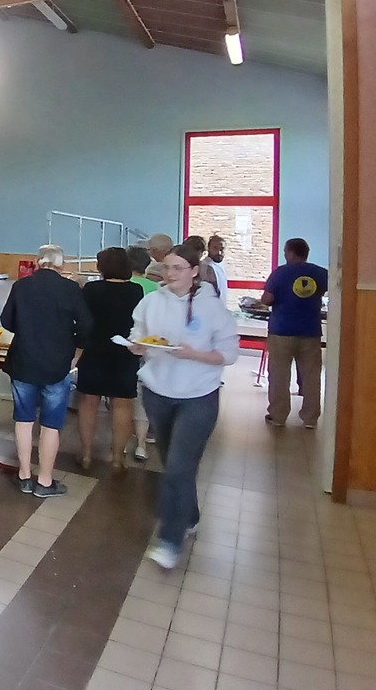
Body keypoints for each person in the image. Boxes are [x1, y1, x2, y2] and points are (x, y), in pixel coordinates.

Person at [129, 243, 238, 569]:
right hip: (158, 392)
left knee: (178, 467)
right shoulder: (151, 302)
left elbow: (229, 354)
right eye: (167, 267)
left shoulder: (212, 308)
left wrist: (195, 354)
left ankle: (170, 540)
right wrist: (137, 345)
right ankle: (189, 515)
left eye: (178, 268)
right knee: (172, 462)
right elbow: (138, 334)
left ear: (193, 271)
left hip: (198, 396)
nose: (170, 273)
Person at [0, 245, 92, 497]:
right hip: (57, 364)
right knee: (51, 424)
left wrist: (27, 329)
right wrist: (75, 350)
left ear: (37, 262)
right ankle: (45, 481)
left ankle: (24, 476)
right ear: (61, 265)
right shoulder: (70, 288)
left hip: (23, 361)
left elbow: (6, 320)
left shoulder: (21, 286)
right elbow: (87, 324)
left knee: (23, 420)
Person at [75, 248, 144, 470]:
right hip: (124, 352)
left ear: (101, 267)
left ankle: (86, 455)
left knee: (88, 402)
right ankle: (117, 459)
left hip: (94, 350)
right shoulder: (136, 291)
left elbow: (82, 320)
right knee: (122, 404)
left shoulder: (91, 289)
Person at [261, 238, 328, 428]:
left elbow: (266, 299)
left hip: (282, 331)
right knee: (311, 376)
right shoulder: (321, 273)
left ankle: (278, 416)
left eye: (285, 251)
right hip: (310, 331)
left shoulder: (280, 273)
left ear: (290, 252)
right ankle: (310, 418)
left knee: (279, 375)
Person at [125, 246, 158, 460]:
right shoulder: (156, 289)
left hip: (124, 346)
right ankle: (141, 445)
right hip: (147, 347)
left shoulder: (123, 285)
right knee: (141, 395)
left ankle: (120, 441)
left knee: (121, 398)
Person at [206, 235, 230, 301]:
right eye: (215, 248)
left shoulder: (221, 265)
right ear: (208, 248)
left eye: (222, 249)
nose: (219, 252)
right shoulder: (206, 266)